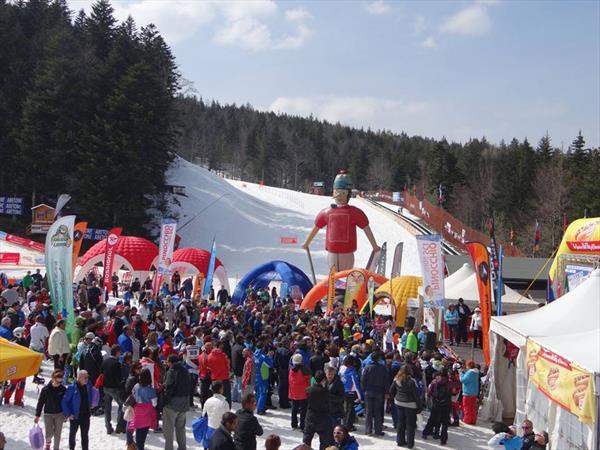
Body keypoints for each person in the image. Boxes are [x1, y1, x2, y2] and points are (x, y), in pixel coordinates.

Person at [62, 370, 96, 450]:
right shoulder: (72, 388)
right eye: (85, 378)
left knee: (85, 435)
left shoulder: (88, 386)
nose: (87, 379)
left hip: (85, 415)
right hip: (75, 416)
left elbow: (92, 394)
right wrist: (68, 414)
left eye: (87, 377)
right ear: (79, 378)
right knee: (72, 434)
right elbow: (64, 402)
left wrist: (91, 404)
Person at [163, 354, 191, 450]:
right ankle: (182, 447)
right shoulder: (185, 370)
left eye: (167, 361)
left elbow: (168, 388)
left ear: (170, 362)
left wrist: (165, 400)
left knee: (169, 429)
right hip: (184, 402)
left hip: (172, 403)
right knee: (181, 428)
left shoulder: (171, 372)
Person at [35, 369, 66, 450]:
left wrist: (66, 414)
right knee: (49, 432)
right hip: (48, 414)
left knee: (57, 433)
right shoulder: (45, 389)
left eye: (60, 381)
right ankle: (48, 444)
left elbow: (66, 403)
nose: (59, 383)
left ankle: (56, 448)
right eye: (57, 381)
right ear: (53, 379)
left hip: (59, 414)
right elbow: (40, 402)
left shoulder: (63, 389)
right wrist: (37, 415)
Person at [389, 366, 420, 449]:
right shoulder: (412, 381)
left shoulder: (396, 379)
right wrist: (419, 406)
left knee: (400, 422)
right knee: (410, 425)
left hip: (399, 402)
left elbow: (391, 390)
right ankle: (410, 444)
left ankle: (400, 441)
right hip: (410, 404)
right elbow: (416, 395)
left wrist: (396, 397)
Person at [303, 370, 334, 450]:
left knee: (307, 439)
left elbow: (305, 403)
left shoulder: (308, 390)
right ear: (323, 380)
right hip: (323, 418)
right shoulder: (325, 392)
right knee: (324, 441)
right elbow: (328, 405)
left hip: (310, 416)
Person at [129, 368, 158, 450]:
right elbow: (154, 404)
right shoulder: (151, 390)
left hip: (137, 413)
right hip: (147, 414)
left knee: (138, 433)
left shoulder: (136, 386)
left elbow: (133, 396)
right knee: (143, 435)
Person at [361, 350, 388, 436]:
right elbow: (386, 381)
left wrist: (364, 389)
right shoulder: (383, 368)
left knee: (368, 411)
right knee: (377, 411)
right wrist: (386, 392)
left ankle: (368, 430)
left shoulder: (367, 368)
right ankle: (378, 430)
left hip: (368, 391)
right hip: (379, 391)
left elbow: (363, 380)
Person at [422, 369, 451, 446]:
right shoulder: (449, 383)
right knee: (444, 423)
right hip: (446, 405)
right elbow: (453, 392)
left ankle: (425, 433)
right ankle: (443, 440)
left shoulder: (434, 382)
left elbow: (429, 393)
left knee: (432, 419)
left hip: (436, 404)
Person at [102, 344, 126, 434]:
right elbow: (119, 378)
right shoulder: (117, 364)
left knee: (107, 408)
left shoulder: (105, 361)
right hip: (114, 388)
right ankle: (120, 426)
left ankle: (108, 426)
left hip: (105, 387)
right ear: (117, 352)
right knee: (122, 405)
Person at [339, 354, 363, 431]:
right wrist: (360, 396)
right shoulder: (352, 371)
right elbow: (356, 384)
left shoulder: (341, 368)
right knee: (351, 410)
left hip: (343, 390)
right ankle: (348, 426)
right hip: (351, 392)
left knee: (345, 409)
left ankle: (345, 424)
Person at [204, 380, 231, 446]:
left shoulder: (208, 401)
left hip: (210, 428)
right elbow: (228, 417)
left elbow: (203, 414)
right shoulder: (225, 403)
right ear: (221, 390)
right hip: (221, 431)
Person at [288, 353, 311, 430]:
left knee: (294, 409)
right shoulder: (304, 369)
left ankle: (293, 424)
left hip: (294, 393)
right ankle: (303, 425)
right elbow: (309, 379)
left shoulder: (291, 369)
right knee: (303, 410)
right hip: (303, 393)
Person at [208, 339, 232, 407]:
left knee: (216, 396)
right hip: (224, 378)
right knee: (226, 396)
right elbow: (227, 366)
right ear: (220, 346)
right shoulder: (223, 355)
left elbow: (209, 367)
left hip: (214, 379)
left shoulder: (209, 356)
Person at [459, 360, 480, 425]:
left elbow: (463, 380)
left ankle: (467, 420)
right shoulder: (476, 372)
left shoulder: (470, 373)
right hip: (474, 393)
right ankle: (473, 420)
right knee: (473, 408)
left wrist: (461, 374)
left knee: (467, 407)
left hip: (468, 392)